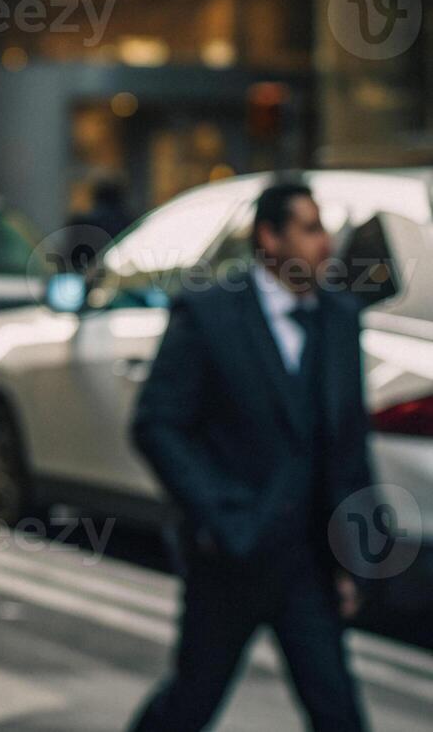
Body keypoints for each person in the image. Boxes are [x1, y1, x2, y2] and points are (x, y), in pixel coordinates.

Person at [128, 178, 373, 732]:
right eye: (310, 229)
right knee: (191, 701)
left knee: (338, 710)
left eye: (325, 227)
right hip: (229, 559)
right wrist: (218, 514)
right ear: (270, 236)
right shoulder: (209, 313)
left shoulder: (339, 317)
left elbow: (348, 443)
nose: (325, 242)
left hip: (309, 563)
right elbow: (157, 427)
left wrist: (354, 555)